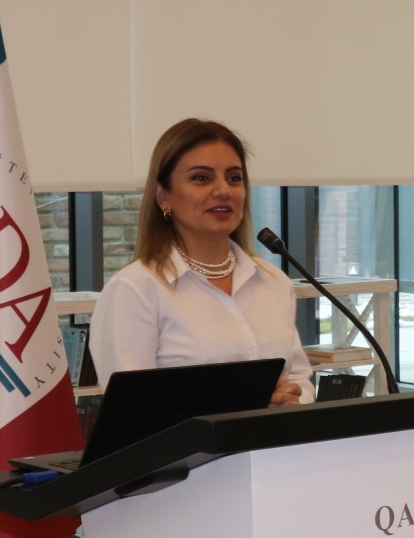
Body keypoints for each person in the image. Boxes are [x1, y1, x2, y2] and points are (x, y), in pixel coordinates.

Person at [90, 119, 311, 407]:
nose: (223, 190)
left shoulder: (273, 282)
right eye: (201, 178)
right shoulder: (135, 289)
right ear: (163, 196)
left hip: (273, 438)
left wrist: (292, 402)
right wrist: (245, 405)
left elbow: (299, 379)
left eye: (234, 178)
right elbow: (133, 410)